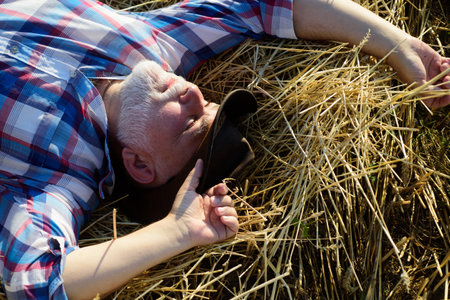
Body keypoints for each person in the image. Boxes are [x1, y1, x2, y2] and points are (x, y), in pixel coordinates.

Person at [0, 0, 448, 299]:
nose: (195, 94)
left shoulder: (58, 177)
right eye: (208, 103)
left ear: (140, 165)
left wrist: (175, 233)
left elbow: (39, 282)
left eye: (192, 124)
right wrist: (399, 46)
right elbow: (263, 4)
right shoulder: (155, 46)